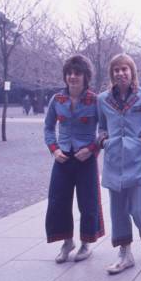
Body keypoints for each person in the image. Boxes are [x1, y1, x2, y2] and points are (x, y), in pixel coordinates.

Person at [97, 53, 141, 275]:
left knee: (140, 206)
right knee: (118, 210)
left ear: (132, 72)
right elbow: (100, 127)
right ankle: (125, 254)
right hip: (113, 161)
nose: (120, 73)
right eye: (116, 70)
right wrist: (103, 140)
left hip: (137, 161)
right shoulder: (102, 100)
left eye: (124, 69)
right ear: (112, 74)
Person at [44, 54, 104, 263]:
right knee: (57, 200)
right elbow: (49, 127)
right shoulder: (57, 99)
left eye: (77, 73)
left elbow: (105, 130)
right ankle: (67, 242)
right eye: (69, 73)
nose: (72, 77)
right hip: (62, 158)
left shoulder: (95, 101)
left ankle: (86, 243)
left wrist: (92, 149)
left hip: (85, 159)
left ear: (85, 76)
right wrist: (53, 149)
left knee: (88, 202)